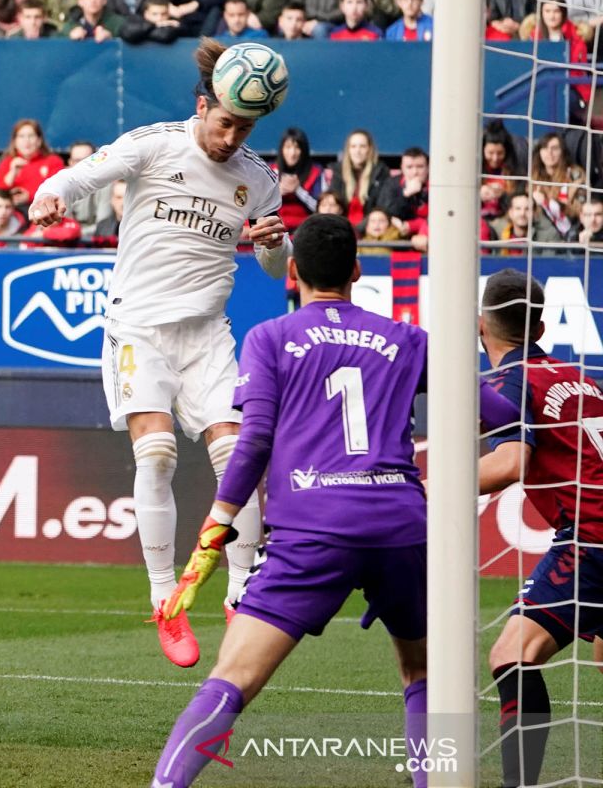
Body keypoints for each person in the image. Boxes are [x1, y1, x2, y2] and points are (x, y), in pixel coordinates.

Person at [150, 214, 521, 788]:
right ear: (356, 270)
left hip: (311, 532)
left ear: (292, 271)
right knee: (423, 672)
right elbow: (501, 414)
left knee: (232, 678)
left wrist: (216, 529)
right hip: (401, 527)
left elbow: (253, 442)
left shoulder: (269, 338)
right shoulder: (406, 339)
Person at [28, 38, 290, 669]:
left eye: (244, 127)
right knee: (159, 453)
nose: (231, 138)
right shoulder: (156, 143)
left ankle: (239, 591)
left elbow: (279, 267)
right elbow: (85, 172)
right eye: (225, 122)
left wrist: (270, 245)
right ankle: (164, 600)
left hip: (207, 336)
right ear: (204, 106)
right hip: (138, 329)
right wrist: (51, 193)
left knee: (239, 457)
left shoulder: (259, 180)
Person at [478, 269, 603, 788]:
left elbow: (511, 464)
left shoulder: (512, 379)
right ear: (542, 326)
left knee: (513, 653)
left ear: (481, 324)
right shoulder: (582, 377)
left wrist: (418, 486)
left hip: (592, 536)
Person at [0, 118, 64, 211]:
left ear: (39, 140)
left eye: (31, 136)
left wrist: (29, 196)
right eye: (21, 136)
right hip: (11, 212)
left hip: (42, 211)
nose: (26, 140)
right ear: (14, 142)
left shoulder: (53, 161)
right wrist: (12, 174)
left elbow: (57, 190)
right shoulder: (8, 162)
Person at [530, 131, 586, 244]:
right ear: (539, 152)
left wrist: (547, 202)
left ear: (562, 152)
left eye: (555, 148)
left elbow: (582, 210)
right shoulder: (532, 176)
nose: (549, 153)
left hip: (571, 234)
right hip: (540, 233)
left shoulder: (575, 175)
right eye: (545, 148)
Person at [328, 128, 390, 228]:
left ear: (370, 149)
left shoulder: (381, 172)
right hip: (341, 228)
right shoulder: (338, 172)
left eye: (362, 146)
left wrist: (358, 229)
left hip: (370, 229)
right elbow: (334, 203)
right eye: (353, 146)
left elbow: (381, 208)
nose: (358, 151)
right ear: (348, 150)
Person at [270, 127, 325, 232]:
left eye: (297, 148)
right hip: (276, 228)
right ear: (281, 149)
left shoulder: (316, 172)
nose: (292, 153)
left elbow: (321, 208)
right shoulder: (271, 171)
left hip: (307, 229)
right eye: (288, 147)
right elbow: (258, 207)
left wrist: (298, 190)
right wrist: (278, 192)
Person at [481, 120, 521, 220]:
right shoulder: (473, 171)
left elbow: (520, 203)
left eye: (499, 153)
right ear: (482, 150)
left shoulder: (515, 173)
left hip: (505, 221)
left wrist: (503, 196)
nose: (495, 158)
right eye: (490, 153)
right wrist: (479, 195)